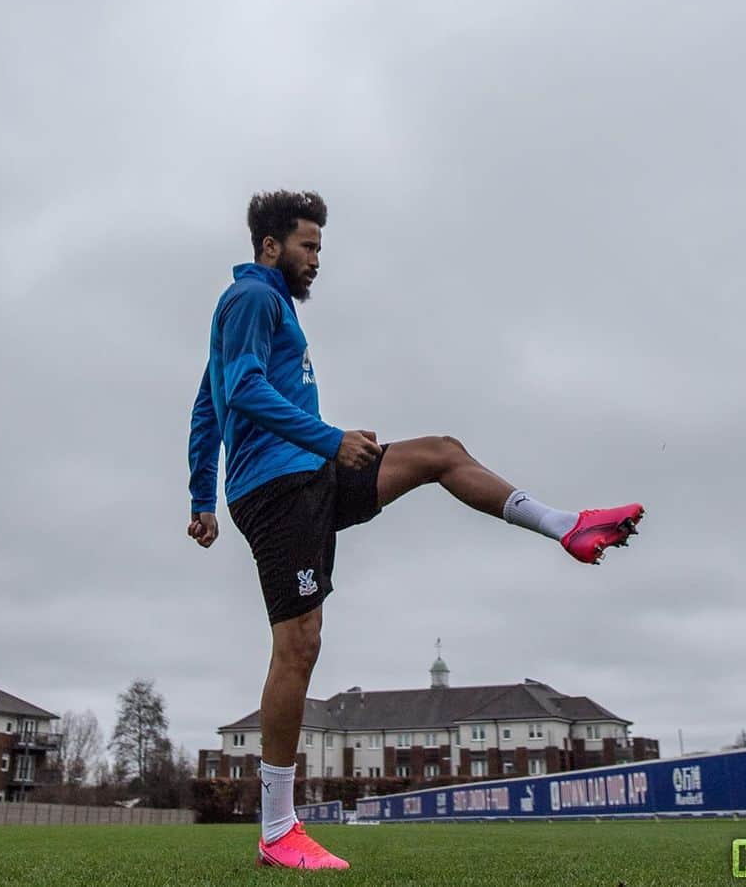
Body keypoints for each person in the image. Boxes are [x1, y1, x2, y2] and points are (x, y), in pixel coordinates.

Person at [187, 190, 644, 871]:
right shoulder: (252, 299)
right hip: (278, 488)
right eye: (308, 247)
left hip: (307, 471)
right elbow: (242, 392)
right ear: (270, 248)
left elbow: (206, 402)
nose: (317, 261)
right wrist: (329, 439)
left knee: (439, 453)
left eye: (320, 248)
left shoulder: (264, 306)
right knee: (299, 646)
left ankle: (565, 525)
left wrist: (201, 496)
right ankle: (278, 831)